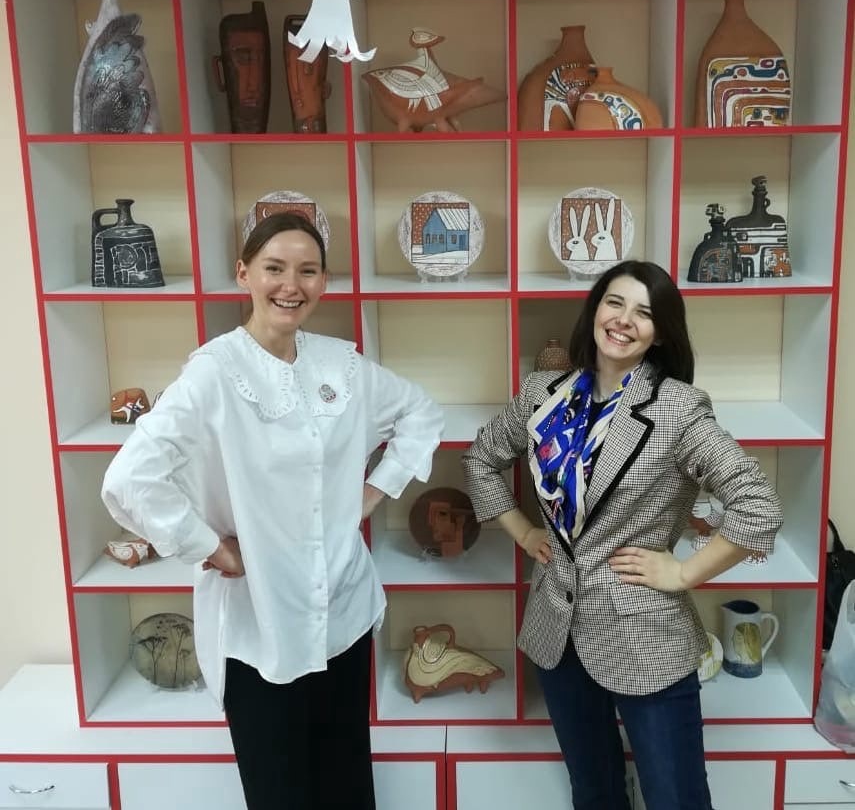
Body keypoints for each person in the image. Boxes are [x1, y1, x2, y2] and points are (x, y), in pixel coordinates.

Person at [102, 212, 444, 810]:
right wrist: (208, 547)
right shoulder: (213, 373)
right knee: (279, 791)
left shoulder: (341, 366)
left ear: (324, 282)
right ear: (244, 274)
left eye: (308, 271)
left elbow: (421, 412)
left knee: (346, 786)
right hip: (259, 623)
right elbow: (130, 479)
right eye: (274, 268)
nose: (292, 285)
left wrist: (374, 491)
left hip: (343, 612)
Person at [461, 260, 782, 810]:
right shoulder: (543, 394)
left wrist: (684, 572)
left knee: (676, 799)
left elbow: (759, 508)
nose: (624, 320)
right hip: (557, 633)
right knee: (595, 793)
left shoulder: (678, 409)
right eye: (615, 302)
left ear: (661, 333)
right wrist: (522, 531)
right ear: (595, 310)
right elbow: (480, 459)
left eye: (644, 312)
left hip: (646, 636)